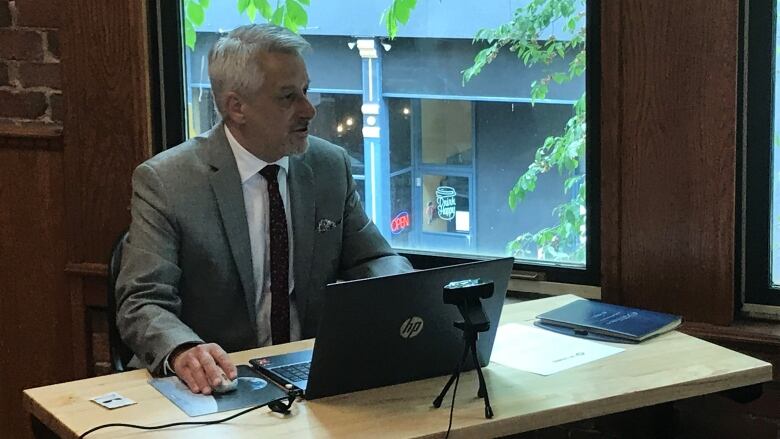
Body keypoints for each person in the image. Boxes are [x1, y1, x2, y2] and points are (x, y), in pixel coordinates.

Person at [115, 23, 413, 395]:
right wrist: (184, 350)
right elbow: (143, 300)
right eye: (288, 97)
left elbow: (376, 258)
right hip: (218, 379)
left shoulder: (329, 166)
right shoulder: (167, 181)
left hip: (309, 374)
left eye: (306, 91)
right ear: (236, 107)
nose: (309, 110)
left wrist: (405, 293)